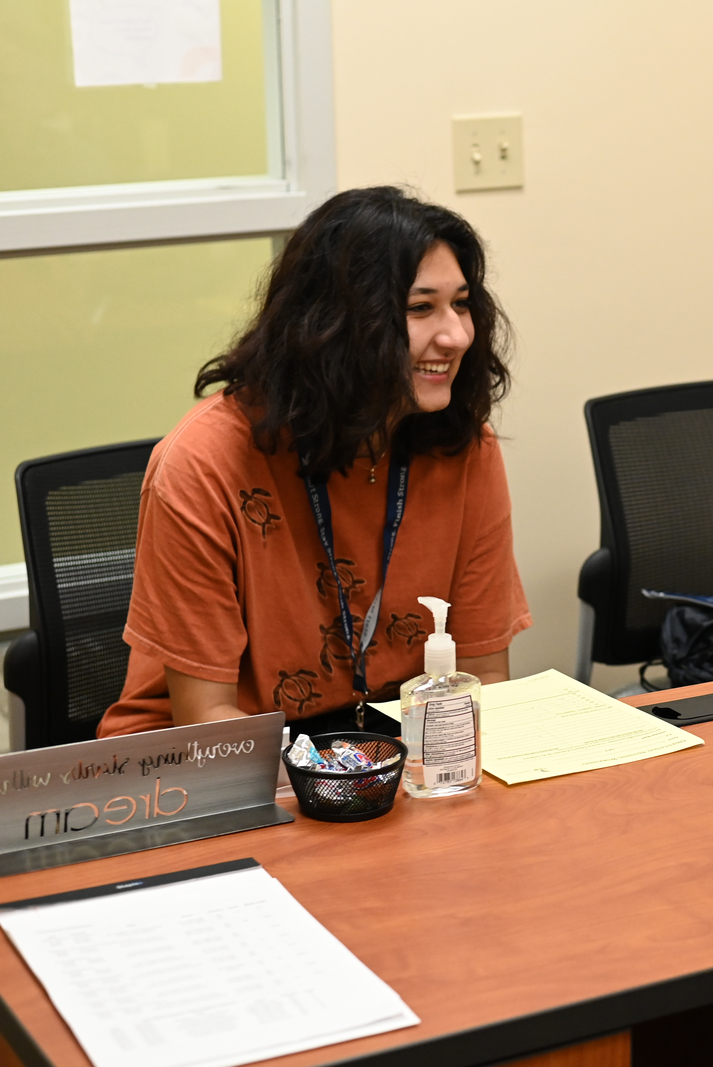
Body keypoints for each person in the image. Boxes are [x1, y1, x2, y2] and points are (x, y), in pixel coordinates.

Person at [98, 186, 531, 738]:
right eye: (421, 308)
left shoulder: (466, 449)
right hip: (211, 765)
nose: (457, 335)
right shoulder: (204, 463)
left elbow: (484, 679)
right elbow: (205, 721)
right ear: (335, 323)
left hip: (388, 754)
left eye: (462, 303)